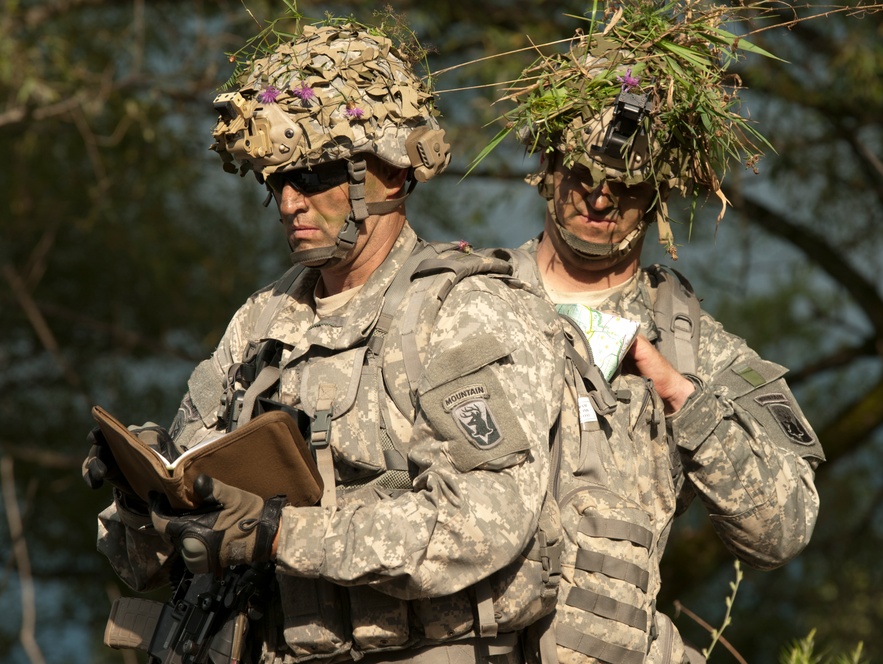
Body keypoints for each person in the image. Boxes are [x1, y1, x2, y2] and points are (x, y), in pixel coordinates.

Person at [87, 20, 566, 664]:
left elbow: (487, 522)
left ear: (390, 176)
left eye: (311, 176)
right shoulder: (261, 325)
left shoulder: (462, 312)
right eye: (274, 182)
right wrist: (143, 495)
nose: (288, 202)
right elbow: (148, 560)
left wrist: (281, 534)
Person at [484, 2, 826, 662]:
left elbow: (784, 530)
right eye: (583, 174)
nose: (600, 199)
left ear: (658, 194)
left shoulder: (693, 344)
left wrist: (682, 396)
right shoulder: (467, 300)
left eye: (625, 184)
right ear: (548, 170)